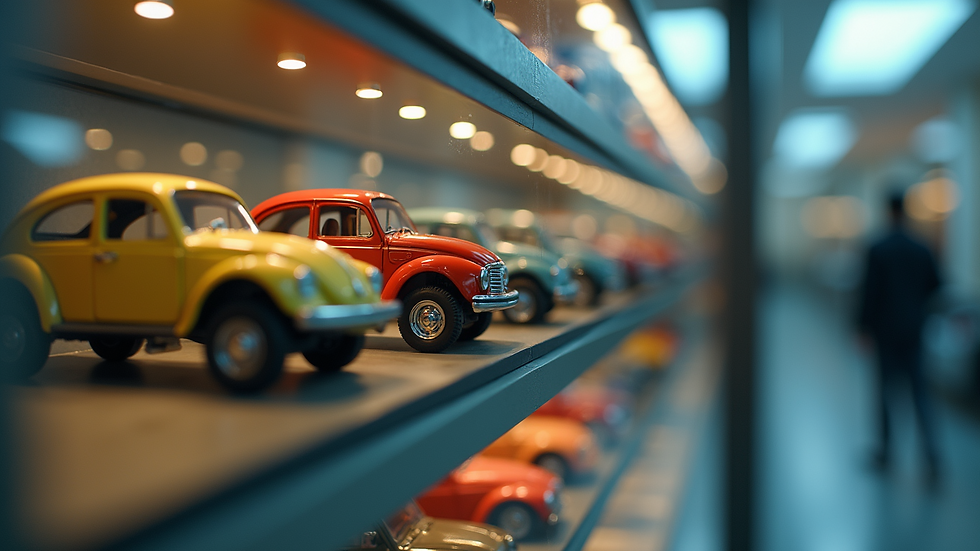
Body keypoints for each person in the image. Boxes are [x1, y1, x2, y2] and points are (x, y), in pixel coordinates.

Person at [857, 192, 941, 486]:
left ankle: (886, 453)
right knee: (920, 395)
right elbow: (935, 285)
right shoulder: (921, 247)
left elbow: (869, 292)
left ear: (887, 211)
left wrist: (863, 328)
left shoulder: (878, 248)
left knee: (884, 395)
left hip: (886, 332)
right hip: (914, 330)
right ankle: (932, 459)